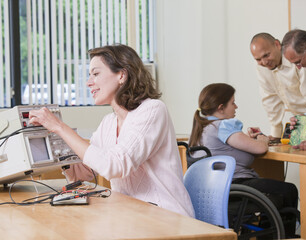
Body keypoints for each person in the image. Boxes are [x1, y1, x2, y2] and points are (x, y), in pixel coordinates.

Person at [29, 44, 194, 217]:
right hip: (132, 214)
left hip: (167, 216)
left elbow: (114, 166)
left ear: (121, 75)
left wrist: (60, 127)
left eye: (96, 73)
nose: (88, 82)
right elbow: (83, 173)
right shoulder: (108, 123)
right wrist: (56, 138)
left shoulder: (152, 110)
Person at [189, 83, 299, 238]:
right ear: (221, 107)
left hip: (213, 191)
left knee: (274, 188)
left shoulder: (203, 127)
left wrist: (250, 140)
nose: (236, 106)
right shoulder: (224, 125)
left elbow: (235, 146)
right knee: (288, 190)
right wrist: (262, 139)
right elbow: (260, 149)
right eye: (232, 102)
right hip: (235, 186)